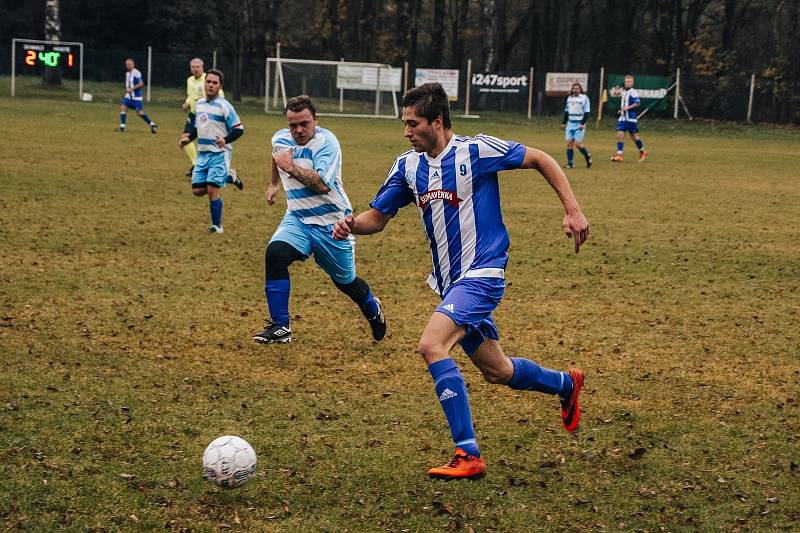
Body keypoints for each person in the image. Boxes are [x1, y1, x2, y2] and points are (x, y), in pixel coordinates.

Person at [333, 83, 589, 480]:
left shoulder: (476, 150)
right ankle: (564, 384)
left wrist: (572, 210)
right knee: (497, 370)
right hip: (451, 283)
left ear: (437, 122)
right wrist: (350, 224)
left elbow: (540, 158)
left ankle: (467, 453)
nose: (406, 131)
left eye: (412, 123)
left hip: (484, 273)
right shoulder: (407, 166)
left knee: (431, 345)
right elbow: (377, 220)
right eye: (404, 124)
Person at [253, 95, 386, 344]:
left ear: (316, 120)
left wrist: (290, 168)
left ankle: (372, 308)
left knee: (346, 283)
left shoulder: (327, 143)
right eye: (293, 125)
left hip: (333, 224)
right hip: (298, 218)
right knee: (275, 254)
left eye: (304, 123)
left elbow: (322, 185)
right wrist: (273, 184)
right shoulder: (280, 138)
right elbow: (277, 156)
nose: (298, 130)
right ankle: (281, 327)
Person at [179, 69, 244, 234]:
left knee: (211, 188)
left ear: (220, 86)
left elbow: (239, 129)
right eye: (208, 82)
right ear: (204, 83)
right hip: (203, 154)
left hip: (219, 154)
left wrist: (225, 140)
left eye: (215, 83)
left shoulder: (225, 106)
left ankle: (217, 226)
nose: (210, 85)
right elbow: (198, 127)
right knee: (197, 190)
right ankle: (230, 177)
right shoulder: (199, 104)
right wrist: (189, 139)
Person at [181, 58, 226, 177]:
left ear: (202, 67)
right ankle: (196, 164)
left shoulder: (208, 80)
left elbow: (220, 94)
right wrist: (186, 103)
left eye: (197, 67)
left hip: (206, 116)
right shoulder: (189, 80)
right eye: (193, 67)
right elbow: (191, 95)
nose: (195, 69)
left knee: (209, 144)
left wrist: (220, 108)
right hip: (193, 113)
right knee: (184, 139)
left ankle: (217, 168)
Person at [612, 74, 648, 162]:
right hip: (623, 118)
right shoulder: (624, 92)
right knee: (619, 135)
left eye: (629, 82)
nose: (627, 83)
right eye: (626, 81)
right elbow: (623, 102)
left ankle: (642, 151)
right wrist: (621, 110)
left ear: (632, 83)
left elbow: (638, 103)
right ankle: (619, 155)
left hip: (630, 119)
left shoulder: (633, 92)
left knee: (633, 136)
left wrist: (626, 108)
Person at [116, 58, 157, 134]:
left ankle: (152, 124)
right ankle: (122, 127)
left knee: (140, 113)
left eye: (130, 64)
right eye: (127, 65)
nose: (128, 66)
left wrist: (132, 89)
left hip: (136, 98)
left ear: (133, 64)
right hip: (128, 96)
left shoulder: (136, 73)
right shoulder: (127, 74)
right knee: (123, 107)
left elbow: (141, 83)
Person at [561, 82, 592, 168]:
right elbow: (566, 111)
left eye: (577, 89)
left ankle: (587, 155)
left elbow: (587, 112)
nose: (575, 90)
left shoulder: (584, 98)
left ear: (580, 89)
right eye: (574, 89)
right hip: (570, 123)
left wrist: (582, 123)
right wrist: (564, 122)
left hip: (579, 123)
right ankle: (570, 163)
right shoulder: (569, 98)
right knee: (569, 144)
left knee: (577, 144)